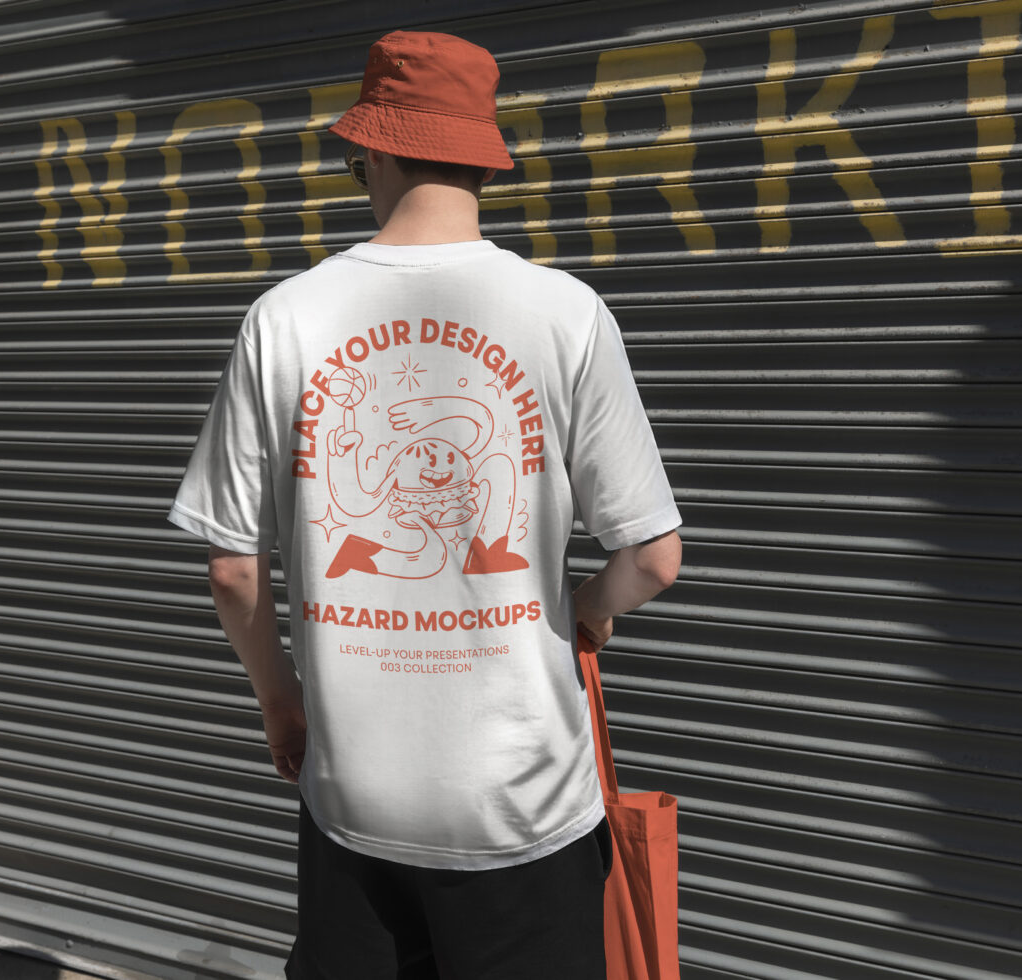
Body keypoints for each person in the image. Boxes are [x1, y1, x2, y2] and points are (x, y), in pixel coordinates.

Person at [168, 29, 682, 980]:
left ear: (370, 148)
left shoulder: (284, 317)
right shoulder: (567, 312)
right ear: (482, 157)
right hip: (524, 811)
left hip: (352, 802)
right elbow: (653, 557)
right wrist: (585, 610)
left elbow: (233, 568)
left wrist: (281, 699)